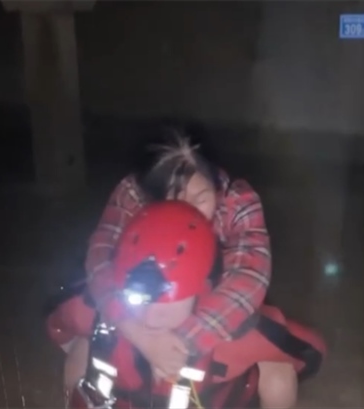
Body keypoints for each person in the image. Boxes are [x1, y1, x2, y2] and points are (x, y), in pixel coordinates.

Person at [69, 128, 301, 408]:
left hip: (219, 299)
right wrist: (133, 330)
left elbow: (249, 277)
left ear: (216, 183)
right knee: (82, 348)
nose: (190, 211)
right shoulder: (133, 192)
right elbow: (100, 258)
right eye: (175, 200)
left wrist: (184, 342)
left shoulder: (238, 201)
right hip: (139, 297)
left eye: (201, 198)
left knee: (278, 371)